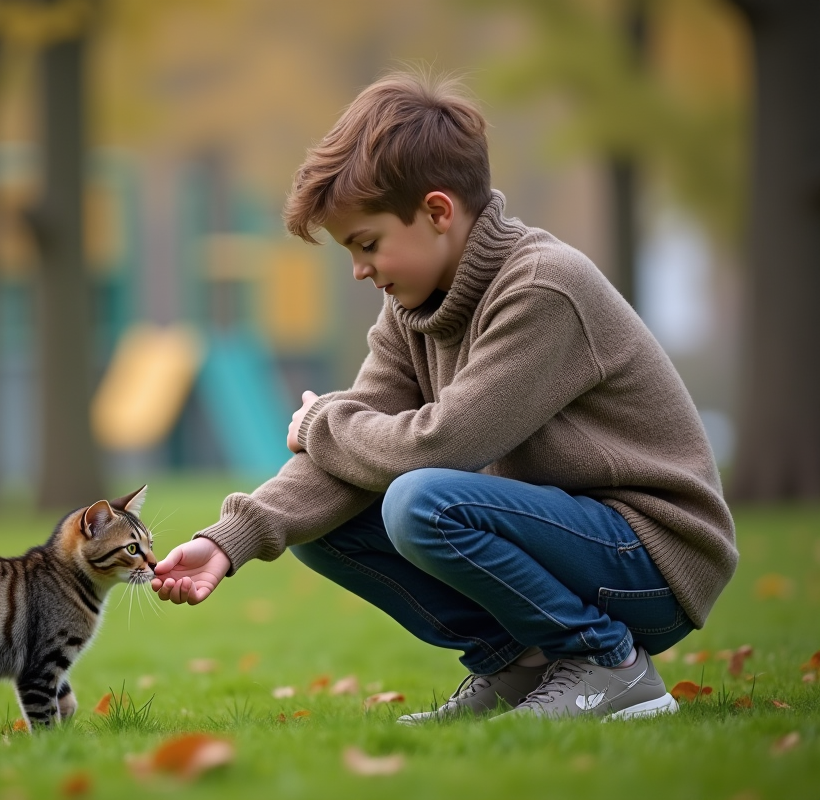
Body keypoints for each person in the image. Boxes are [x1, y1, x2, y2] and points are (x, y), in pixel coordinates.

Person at [151, 71, 737, 721]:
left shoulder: (543, 288)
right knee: (322, 521)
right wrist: (230, 539)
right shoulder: (412, 310)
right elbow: (357, 448)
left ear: (437, 212)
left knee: (420, 501)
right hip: (567, 541)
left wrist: (321, 421)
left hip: (651, 555)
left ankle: (608, 664)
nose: (359, 270)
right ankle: (518, 664)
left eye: (367, 244)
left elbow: (445, 445)